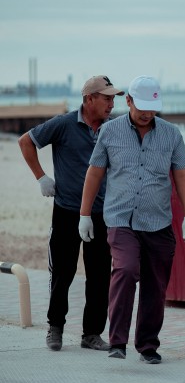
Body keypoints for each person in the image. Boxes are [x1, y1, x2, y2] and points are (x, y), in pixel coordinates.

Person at [78, 75, 185, 364]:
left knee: (156, 285)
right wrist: (84, 214)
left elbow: (182, 174)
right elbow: (95, 172)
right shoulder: (110, 132)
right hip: (121, 219)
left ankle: (147, 346)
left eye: (152, 108)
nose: (147, 113)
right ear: (129, 101)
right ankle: (118, 341)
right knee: (126, 269)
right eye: (142, 107)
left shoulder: (171, 134)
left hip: (158, 222)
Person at [18, 75, 123, 352]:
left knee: (99, 276)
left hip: (102, 213)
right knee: (62, 273)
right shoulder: (63, 124)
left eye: (113, 99)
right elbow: (26, 141)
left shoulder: (113, 128)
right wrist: (41, 177)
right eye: (107, 98)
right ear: (89, 99)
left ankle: (92, 334)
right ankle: (55, 328)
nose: (112, 104)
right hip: (66, 211)